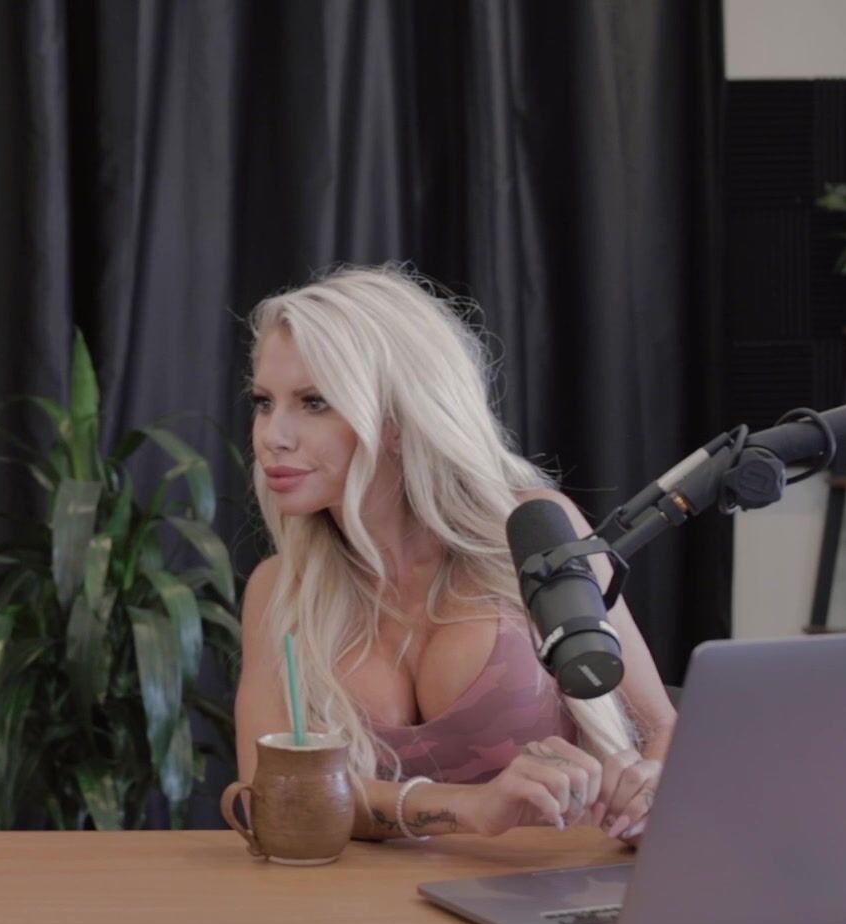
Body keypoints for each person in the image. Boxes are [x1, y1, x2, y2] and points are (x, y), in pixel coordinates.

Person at [235, 265, 677, 844]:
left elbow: (659, 729)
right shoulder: (281, 591)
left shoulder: (532, 535)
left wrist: (649, 794)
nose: (273, 435)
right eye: (264, 403)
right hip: (360, 900)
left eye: (314, 402)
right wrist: (468, 808)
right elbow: (272, 796)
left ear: (399, 419)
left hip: (552, 886)